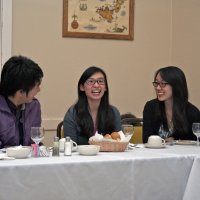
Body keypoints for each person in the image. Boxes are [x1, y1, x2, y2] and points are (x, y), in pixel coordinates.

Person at [63, 66, 122, 145]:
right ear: (82, 87)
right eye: (91, 81)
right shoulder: (72, 114)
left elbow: (120, 142)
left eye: (100, 81)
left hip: (109, 157)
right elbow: (70, 147)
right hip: (81, 157)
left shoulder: (114, 112)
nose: (96, 85)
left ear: (105, 88)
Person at [143, 66, 200, 143]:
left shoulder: (192, 112)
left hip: (183, 154)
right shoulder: (151, 107)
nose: (158, 88)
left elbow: (196, 142)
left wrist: (176, 142)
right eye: (156, 83)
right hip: (155, 154)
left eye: (163, 84)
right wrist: (164, 142)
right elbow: (146, 139)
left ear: (176, 86)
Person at [0, 55, 44, 148]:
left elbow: (35, 141)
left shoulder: (34, 106)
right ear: (21, 92)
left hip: (27, 160)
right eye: (36, 86)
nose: (39, 90)